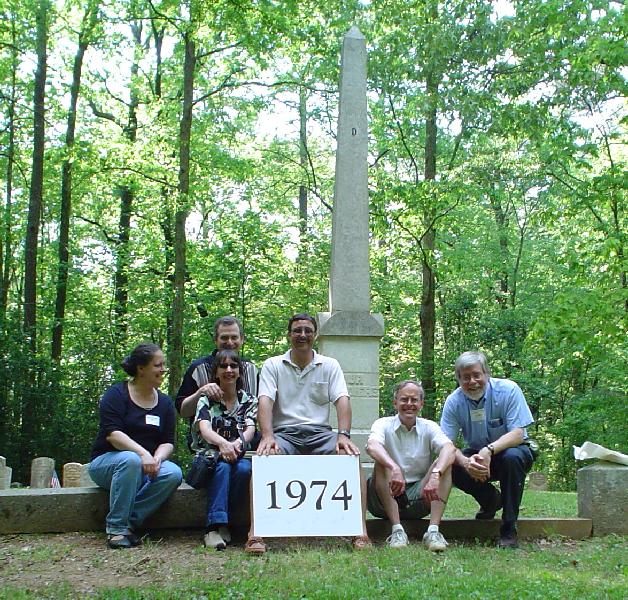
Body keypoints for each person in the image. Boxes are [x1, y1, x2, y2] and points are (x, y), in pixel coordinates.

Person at [245, 313, 372, 554]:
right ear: (289, 334)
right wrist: (268, 435)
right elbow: (265, 401)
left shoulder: (330, 365)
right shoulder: (273, 365)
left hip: (320, 433)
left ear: (315, 335)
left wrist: (343, 435)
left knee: (351, 460)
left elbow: (342, 400)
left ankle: (360, 532)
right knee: (262, 460)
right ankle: (256, 534)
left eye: (307, 330)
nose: (302, 335)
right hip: (285, 434)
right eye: (297, 330)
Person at [89, 343, 183, 549]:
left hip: (145, 465)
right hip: (109, 463)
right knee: (130, 460)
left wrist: (157, 458)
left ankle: (129, 521)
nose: (163, 369)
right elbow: (113, 435)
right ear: (141, 369)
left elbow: (167, 442)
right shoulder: (116, 394)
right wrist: (142, 454)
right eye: (158, 365)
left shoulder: (165, 403)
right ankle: (115, 529)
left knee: (173, 473)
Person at [440, 351, 535, 548]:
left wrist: (488, 451)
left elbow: (518, 433)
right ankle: (491, 501)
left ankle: (509, 528)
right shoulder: (453, 401)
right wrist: (467, 462)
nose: (472, 381)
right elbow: (446, 443)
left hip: (512, 452)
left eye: (477, 375)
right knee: (452, 463)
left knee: (512, 457)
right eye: (465, 377)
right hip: (477, 458)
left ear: (487, 374)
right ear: (458, 379)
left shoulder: (508, 390)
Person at [366, 380, 455, 551]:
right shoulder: (382, 424)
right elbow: (372, 446)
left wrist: (436, 474)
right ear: (395, 402)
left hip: (418, 497)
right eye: (404, 399)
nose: (409, 404)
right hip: (383, 498)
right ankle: (397, 531)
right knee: (382, 461)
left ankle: (433, 532)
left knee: (445, 464)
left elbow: (449, 448)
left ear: (421, 403)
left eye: (414, 400)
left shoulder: (430, 427)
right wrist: (394, 467)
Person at [190, 349, 258, 550]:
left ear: (239, 372)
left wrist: (236, 444)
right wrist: (223, 444)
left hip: (237, 455)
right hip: (210, 458)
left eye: (233, 366)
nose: (229, 370)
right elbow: (204, 428)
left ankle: (226, 522)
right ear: (216, 372)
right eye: (223, 366)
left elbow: (250, 428)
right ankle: (214, 528)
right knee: (223, 468)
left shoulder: (248, 400)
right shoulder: (207, 400)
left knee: (245, 469)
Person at [176, 316, 257, 419]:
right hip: (206, 433)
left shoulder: (251, 369)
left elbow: (262, 408)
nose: (230, 342)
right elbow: (182, 412)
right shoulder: (199, 368)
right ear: (215, 340)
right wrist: (201, 393)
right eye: (224, 338)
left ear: (242, 339)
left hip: (246, 432)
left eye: (234, 337)